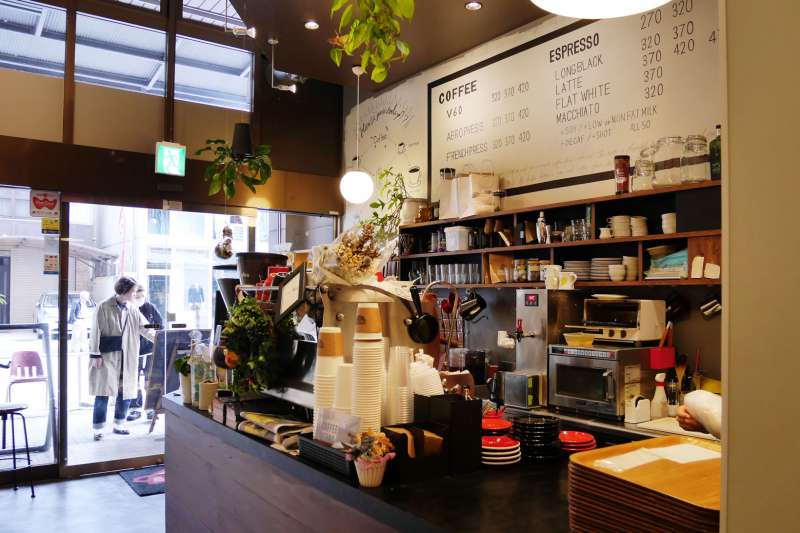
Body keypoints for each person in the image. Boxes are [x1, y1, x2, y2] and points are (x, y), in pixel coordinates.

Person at [88, 277, 155, 441]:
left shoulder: (133, 308)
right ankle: (98, 428)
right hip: (107, 357)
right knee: (102, 393)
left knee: (125, 391)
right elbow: (95, 331)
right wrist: (95, 354)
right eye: (133, 291)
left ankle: (119, 424)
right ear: (124, 291)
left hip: (128, 355)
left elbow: (146, 327)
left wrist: (161, 333)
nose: (135, 294)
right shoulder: (103, 306)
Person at [127, 285, 163, 422]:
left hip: (149, 349)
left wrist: (145, 327)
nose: (140, 299)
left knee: (150, 379)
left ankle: (150, 408)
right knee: (133, 380)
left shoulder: (150, 307)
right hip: (133, 349)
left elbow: (160, 325)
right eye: (137, 296)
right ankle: (134, 408)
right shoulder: (129, 309)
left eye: (142, 296)